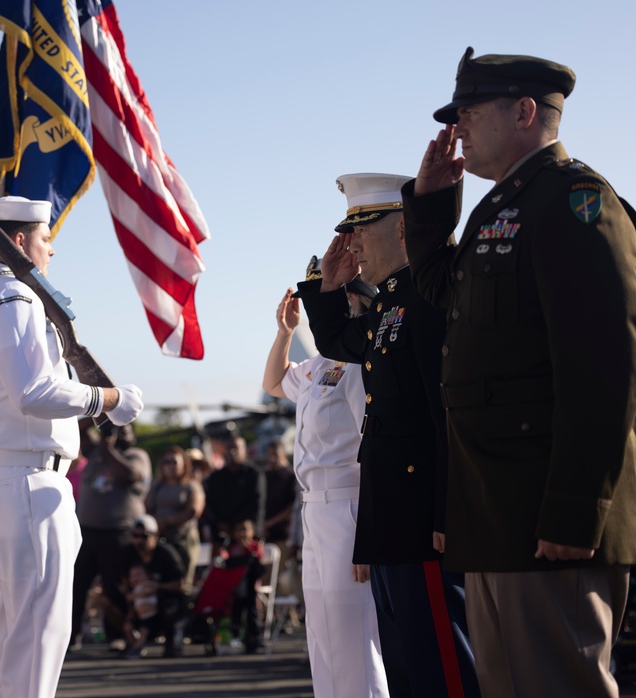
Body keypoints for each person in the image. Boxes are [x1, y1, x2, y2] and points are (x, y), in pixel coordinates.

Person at [403, 47, 636, 696]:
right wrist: (429, 205)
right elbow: (441, 294)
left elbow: (604, 367)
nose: (457, 129)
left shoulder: (574, 202)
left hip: (547, 519)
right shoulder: (499, 209)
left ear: (525, 111)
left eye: (470, 113)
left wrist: (574, 510)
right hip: (498, 514)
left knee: (561, 684)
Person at [0, 195, 144, 698]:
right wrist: (108, 398)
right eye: (45, 238)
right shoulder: (13, 296)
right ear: (18, 241)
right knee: (38, 636)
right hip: (24, 483)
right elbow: (33, 391)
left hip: (0, 477)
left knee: (20, 632)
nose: (51, 250)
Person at [299, 174, 478, 697]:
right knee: (405, 665)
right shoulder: (388, 305)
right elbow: (337, 343)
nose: (351, 243)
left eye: (362, 230)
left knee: (442, 666)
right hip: (393, 523)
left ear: (403, 230)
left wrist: (446, 509)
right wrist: (327, 289)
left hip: (426, 519)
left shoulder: (428, 300)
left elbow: (446, 415)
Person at [263, 257, 389, 696]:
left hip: (348, 505)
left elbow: (374, 448)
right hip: (315, 508)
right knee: (321, 630)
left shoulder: (358, 363)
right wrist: (284, 332)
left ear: (352, 300)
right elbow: (275, 383)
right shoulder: (319, 365)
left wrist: (369, 534)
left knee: (353, 632)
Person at [71, 422, 152, 650]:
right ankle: (71, 635)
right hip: (87, 531)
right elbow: (75, 428)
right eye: (113, 429)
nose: (117, 433)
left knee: (114, 587)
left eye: (123, 429)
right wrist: (99, 412)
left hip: (118, 532)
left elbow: (130, 475)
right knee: (76, 586)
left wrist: (109, 449)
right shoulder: (95, 450)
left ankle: (116, 636)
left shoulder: (137, 455)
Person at [118, 515, 186, 658]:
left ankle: (170, 642)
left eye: (144, 536)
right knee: (109, 600)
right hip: (137, 599)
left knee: (170, 606)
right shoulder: (127, 553)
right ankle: (129, 640)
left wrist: (158, 587)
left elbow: (181, 584)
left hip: (162, 597)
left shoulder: (166, 553)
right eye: (135, 536)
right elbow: (124, 584)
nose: (139, 540)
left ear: (155, 535)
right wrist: (130, 614)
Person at [145, 445, 204, 590]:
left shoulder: (191, 486)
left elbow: (193, 511)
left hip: (183, 539)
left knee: (183, 581)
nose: (170, 466)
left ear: (184, 465)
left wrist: (167, 521)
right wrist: (156, 523)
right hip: (160, 539)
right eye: (167, 462)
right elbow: (147, 506)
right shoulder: (156, 486)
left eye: (175, 462)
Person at [203, 433, 266, 552]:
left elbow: (257, 503)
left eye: (236, 448)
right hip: (222, 536)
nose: (232, 452)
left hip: (247, 536)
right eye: (229, 448)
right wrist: (220, 524)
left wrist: (242, 527)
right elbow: (209, 503)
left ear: (245, 450)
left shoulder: (254, 474)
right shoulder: (215, 477)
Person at [219, 518, 265, 653]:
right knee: (236, 611)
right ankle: (236, 635)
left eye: (245, 530)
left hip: (251, 585)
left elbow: (258, 563)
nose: (242, 534)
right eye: (239, 530)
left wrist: (246, 548)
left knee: (252, 612)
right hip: (236, 587)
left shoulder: (255, 546)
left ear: (252, 532)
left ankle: (254, 637)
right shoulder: (231, 549)